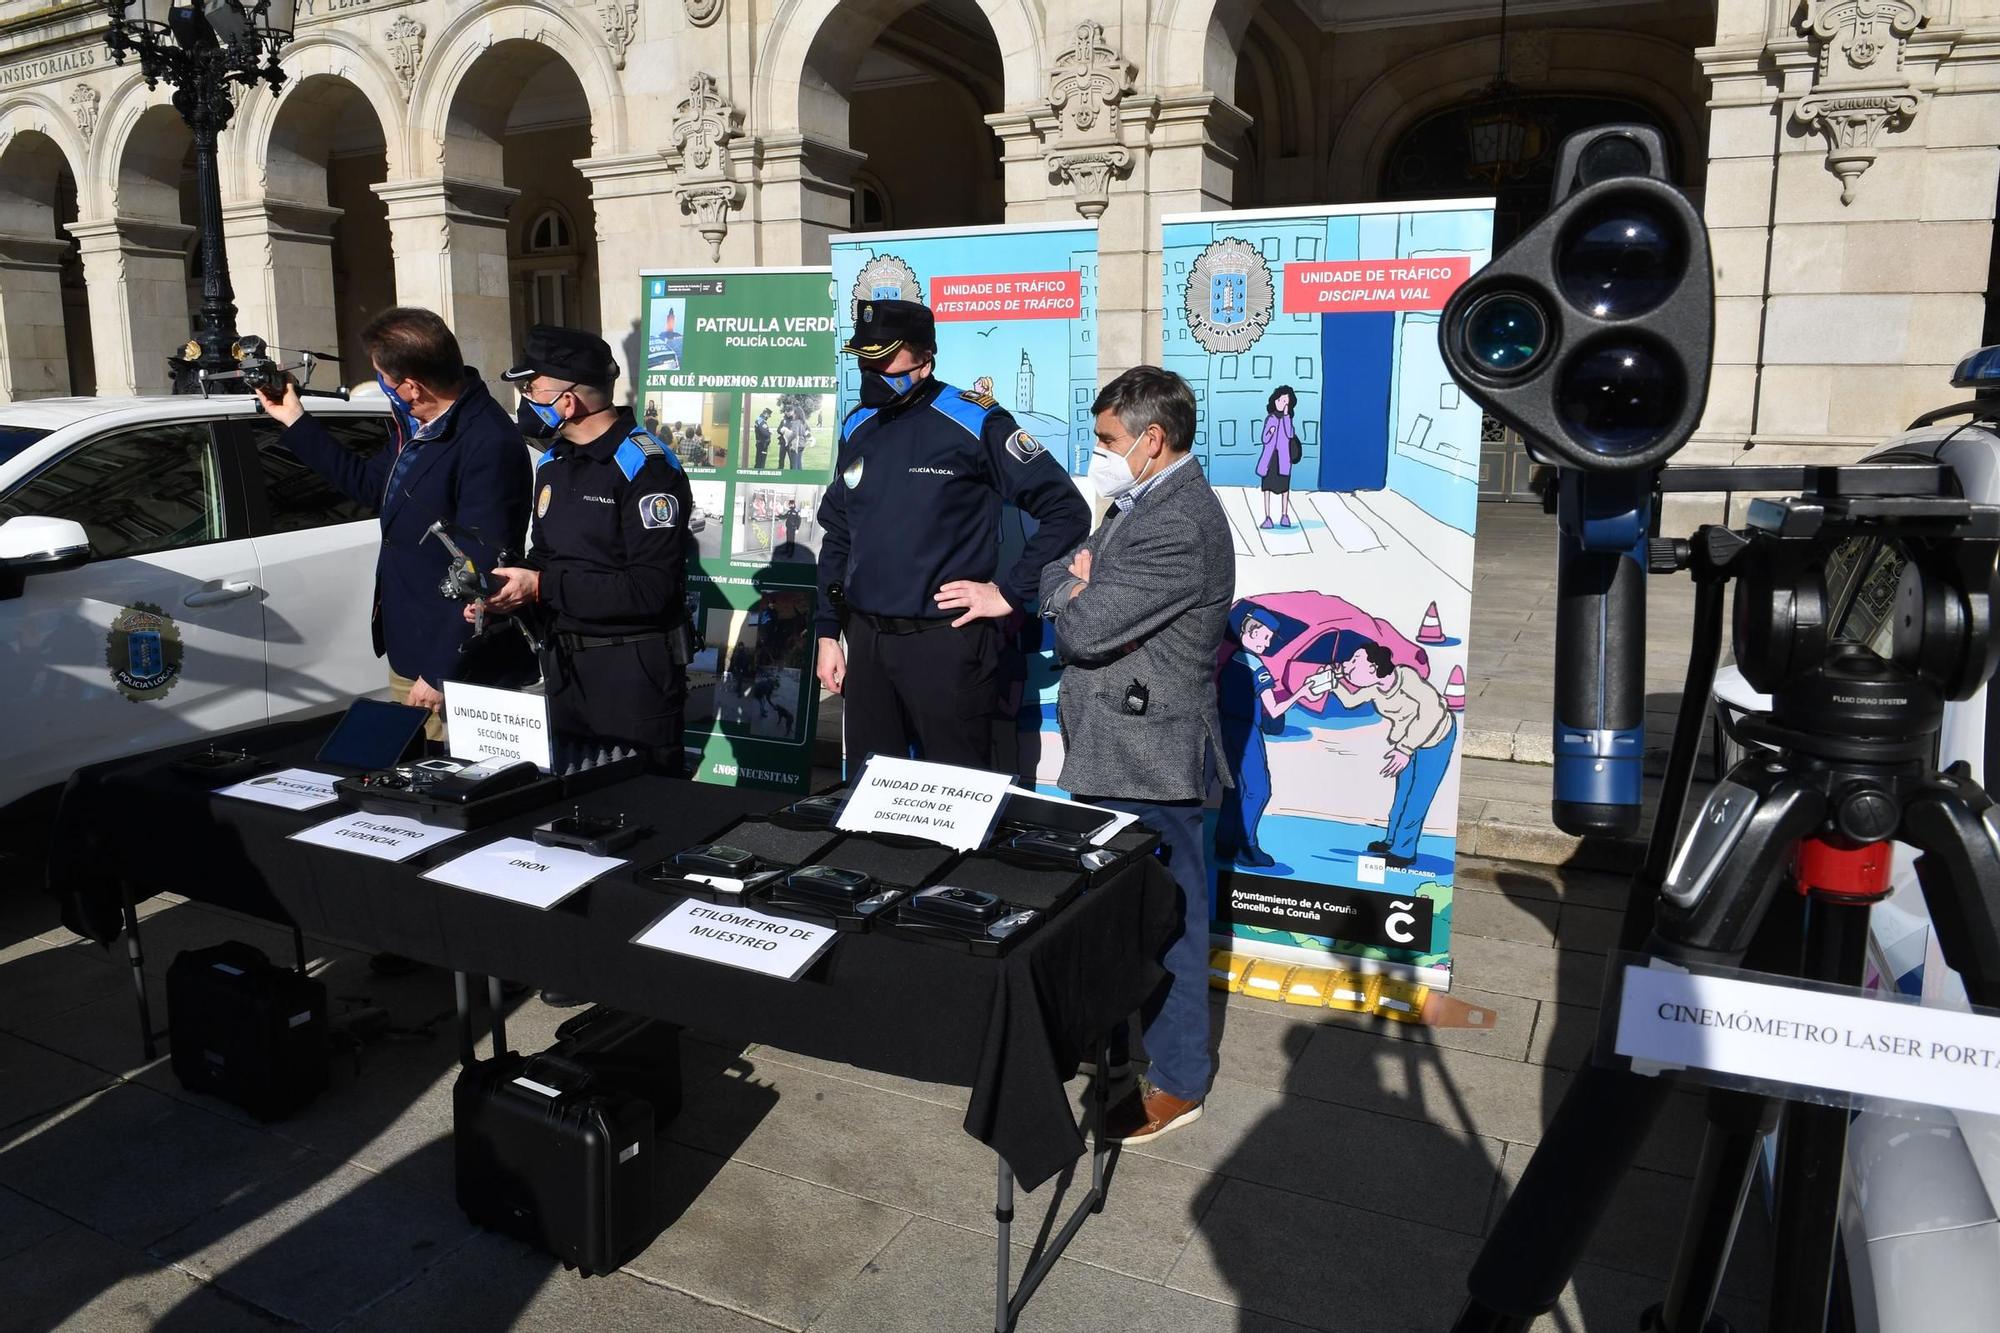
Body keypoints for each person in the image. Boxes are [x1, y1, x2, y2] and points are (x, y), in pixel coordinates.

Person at [1039, 365, 1235, 1145]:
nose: (1099, 454)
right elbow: (1060, 569)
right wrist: (1074, 584)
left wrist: (1076, 591)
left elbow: (1083, 627)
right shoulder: (1138, 500)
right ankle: (1114, 1041)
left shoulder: (1178, 520)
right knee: (1116, 919)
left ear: (1154, 440)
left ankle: (1181, 1080)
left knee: (1172, 924)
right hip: (1111, 747)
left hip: (1151, 759)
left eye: (1109, 441)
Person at [816, 298, 1087, 772]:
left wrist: (1009, 593)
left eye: (883, 358)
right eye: (863, 357)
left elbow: (1065, 510)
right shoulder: (858, 424)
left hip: (943, 646)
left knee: (958, 803)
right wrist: (826, 633)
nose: (870, 369)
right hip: (868, 646)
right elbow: (838, 534)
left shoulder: (976, 420)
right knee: (871, 801)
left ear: (924, 358)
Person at [253, 306, 532, 736]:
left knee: (442, 783)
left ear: (411, 387)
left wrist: (441, 670)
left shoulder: (487, 441)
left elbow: (481, 568)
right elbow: (371, 487)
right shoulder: (422, 424)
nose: (381, 385)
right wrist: (294, 418)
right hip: (411, 646)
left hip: (453, 668)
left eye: (383, 377)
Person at [475, 325, 694, 780]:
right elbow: (547, 557)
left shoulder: (645, 468)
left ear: (568, 401)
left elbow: (650, 589)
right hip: (564, 668)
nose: (525, 402)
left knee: (644, 811)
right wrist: (505, 591)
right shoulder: (554, 463)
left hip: (631, 674)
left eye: (531, 389)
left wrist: (541, 587)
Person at [1215, 605, 1332, 867]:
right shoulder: (1258, 667)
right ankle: (1247, 847)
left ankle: (1224, 843)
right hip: (1247, 733)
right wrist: (1301, 693)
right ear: (1251, 632)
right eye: (1265, 637)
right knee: (1258, 790)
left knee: (1234, 789)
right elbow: (1275, 708)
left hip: (1226, 728)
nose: (1267, 644)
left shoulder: (1233, 659)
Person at [1327, 643, 1455, 869]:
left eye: (1355, 661)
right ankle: (1392, 841)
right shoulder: (1375, 687)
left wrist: (1405, 749)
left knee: (1418, 797)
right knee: (1403, 793)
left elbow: (1432, 712)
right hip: (1406, 742)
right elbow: (1350, 701)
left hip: (1436, 738)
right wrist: (1334, 682)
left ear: (1373, 667)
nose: (1348, 666)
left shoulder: (1406, 678)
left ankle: (1404, 852)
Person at [1254, 385, 1298, 528]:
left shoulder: (1288, 419)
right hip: (1270, 459)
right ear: (1274, 401)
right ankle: (1268, 517)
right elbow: (1264, 439)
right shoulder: (1270, 418)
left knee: (1284, 489)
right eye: (1280, 400)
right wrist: (1271, 432)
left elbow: (1290, 434)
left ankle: (1284, 515)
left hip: (1284, 459)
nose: (1281, 403)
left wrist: (1286, 417)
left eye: (1285, 401)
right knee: (1267, 489)